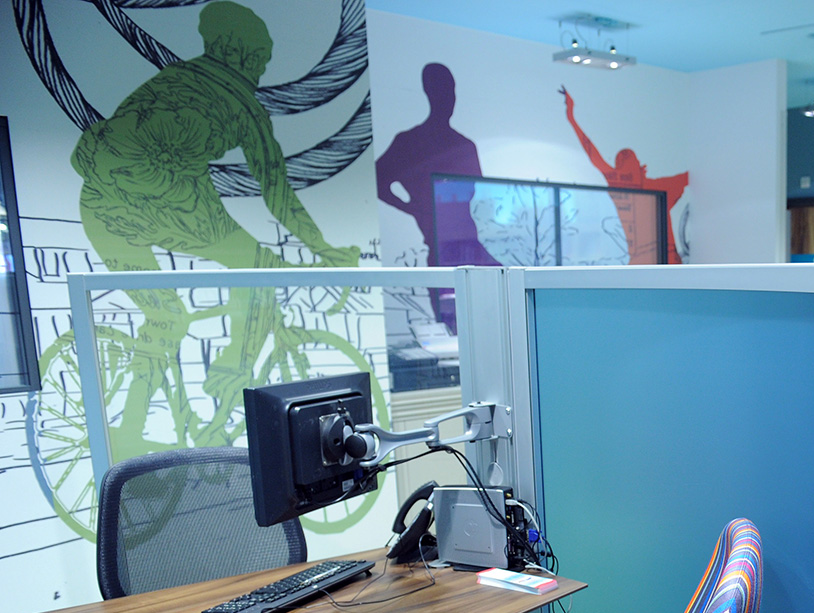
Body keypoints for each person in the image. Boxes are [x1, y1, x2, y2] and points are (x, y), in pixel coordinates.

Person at [70, 1, 358, 441]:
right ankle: (228, 382)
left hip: (99, 205)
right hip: (172, 200)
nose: (260, 70)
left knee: (166, 319)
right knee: (259, 268)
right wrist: (324, 250)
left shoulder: (173, 79)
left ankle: (130, 431)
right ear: (238, 52)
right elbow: (278, 194)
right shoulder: (243, 108)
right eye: (260, 58)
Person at [376, 62, 497, 317]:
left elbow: (473, 192)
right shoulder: (409, 143)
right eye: (444, 91)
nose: (449, 99)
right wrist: (415, 209)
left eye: (451, 91)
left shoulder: (464, 146)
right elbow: (379, 180)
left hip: (469, 245)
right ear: (430, 93)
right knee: (453, 320)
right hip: (442, 248)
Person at [561, 86, 688, 264]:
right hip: (659, 258)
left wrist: (572, 118)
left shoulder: (619, 182)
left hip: (649, 259)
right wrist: (571, 118)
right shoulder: (653, 186)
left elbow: (593, 154)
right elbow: (690, 177)